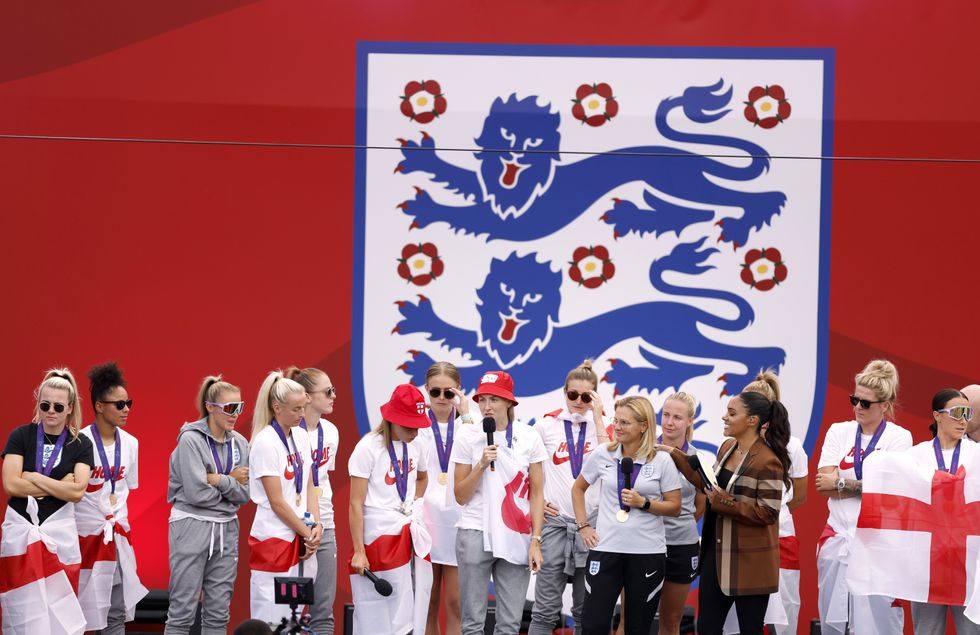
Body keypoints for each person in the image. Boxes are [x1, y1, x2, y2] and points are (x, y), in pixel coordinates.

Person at [667, 390, 791, 635]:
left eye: (732, 413)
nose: (724, 417)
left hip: (751, 563)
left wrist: (724, 502)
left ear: (752, 421)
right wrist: (671, 453)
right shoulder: (727, 447)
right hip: (717, 554)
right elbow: (707, 484)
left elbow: (768, 513)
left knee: (750, 630)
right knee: (707, 628)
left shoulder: (769, 461)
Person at [814, 359, 912, 635]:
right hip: (838, 537)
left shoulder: (899, 438)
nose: (857, 406)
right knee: (834, 624)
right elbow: (823, 483)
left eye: (865, 403)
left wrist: (843, 482)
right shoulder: (839, 431)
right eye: (854, 399)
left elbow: (891, 492)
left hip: (877, 544)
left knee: (878, 626)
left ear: (884, 404)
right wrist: (864, 486)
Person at [573, 395, 681, 635]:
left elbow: (675, 507)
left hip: (646, 553)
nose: (618, 427)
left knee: (637, 627)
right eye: (616, 420)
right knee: (593, 625)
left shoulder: (662, 460)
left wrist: (645, 503)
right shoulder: (603, 453)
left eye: (625, 422)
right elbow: (578, 488)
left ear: (644, 426)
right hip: (606, 549)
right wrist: (583, 526)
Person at [451, 370, 546, 635]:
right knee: (472, 624)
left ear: (509, 402)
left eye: (494, 399)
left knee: (510, 624)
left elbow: (537, 494)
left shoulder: (529, 437)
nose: (486, 406)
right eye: (482, 399)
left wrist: (536, 540)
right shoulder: (467, 436)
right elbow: (460, 495)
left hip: (516, 534)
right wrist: (481, 464)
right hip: (474, 530)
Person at [1, 368, 94, 634]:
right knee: (23, 607)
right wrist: (59, 485)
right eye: (45, 405)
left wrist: (32, 477)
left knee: (59, 609)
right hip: (20, 531)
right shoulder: (20, 436)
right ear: (38, 405)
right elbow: (10, 484)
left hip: (59, 533)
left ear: (70, 408)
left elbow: (77, 492)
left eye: (57, 406)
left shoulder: (81, 443)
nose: (50, 411)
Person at [720, 371, 806, 635]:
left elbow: (799, 496)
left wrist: (767, 515)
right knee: (738, 618)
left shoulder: (791, 446)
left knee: (783, 617)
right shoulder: (732, 444)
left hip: (780, 539)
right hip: (739, 540)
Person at [165, 375, 250, 634]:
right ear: (211, 407)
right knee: (182, 610)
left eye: (240, 407)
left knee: (218, 613)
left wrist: (218, 480)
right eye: (229, 408)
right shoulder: (191, 440)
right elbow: (196, 494)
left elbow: (245, 495)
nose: (235, 414)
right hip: (191, 525)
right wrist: (230, 482)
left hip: (226, 528)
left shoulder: (241, 443)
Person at [529, 360, 609, 635]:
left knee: (586, 611)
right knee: (544, 612)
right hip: (556, 524)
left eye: (585, 396)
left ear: (595, 397)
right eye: (572, 394)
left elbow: (611, 465)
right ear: (564, 392)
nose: (578, 401)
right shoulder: (545, 426)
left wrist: (598, 417)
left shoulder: (606, 426)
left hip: (593, 526)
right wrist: (538, 500)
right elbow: (525, 471)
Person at [348, 383, 432, 635]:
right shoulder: (368, 447)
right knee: (378, 605)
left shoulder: (417, 444)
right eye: (408, 425)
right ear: (391, 419)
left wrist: (413, 504)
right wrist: (359, 551)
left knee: (409, 602)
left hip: (407, 531)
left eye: (417, 425)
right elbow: (355, 503)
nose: (414, 432)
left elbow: (422, 477)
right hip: (377, 534)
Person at [77, 362, 148, 633]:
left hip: (117, 538)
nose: (126, 409)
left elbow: (127, 488)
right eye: (119, 404)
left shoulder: (131, 443)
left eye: (128, 403)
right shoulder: (79, 441)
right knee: (80, 612)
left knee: (115, 611)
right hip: (84, 539)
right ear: (98, 406)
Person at [248, 371, 321, 625]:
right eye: (296, 409)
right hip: (275, 539)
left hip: (301, 537)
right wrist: (306, 532)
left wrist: (316, 526)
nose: (302, 414)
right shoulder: (265, 442)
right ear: (276, 407)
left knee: (297, 618)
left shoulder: (301, 435)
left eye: (304, 407)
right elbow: (277, 501)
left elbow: (311, 484)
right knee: (272, 618)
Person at [906, 388, 979, 635]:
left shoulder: (978, 456)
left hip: (969, 562)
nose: (963, 420)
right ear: (937, 416)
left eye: (967, 413)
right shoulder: (915, 455)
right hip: (928, 561)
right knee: (927, 631)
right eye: (956, 413)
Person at [417, 362, 471, 635]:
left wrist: (467, 415)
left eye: (448, 393)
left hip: (457, 520)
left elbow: (483, 453)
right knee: (426, 602)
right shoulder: (414, 425)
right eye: (435, 391)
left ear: (458, 392)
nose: (441, 398)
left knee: (456, 603)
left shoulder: (467, 425)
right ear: (426, 390)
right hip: (423, 521)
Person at [287, 367, 341, 635]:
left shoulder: (331, 432)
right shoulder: (286, 433)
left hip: (325, 525)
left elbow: (320, 481)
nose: (333, 396)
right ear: (307, 397)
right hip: (292, 527)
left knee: (323, 610)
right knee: (289, 611)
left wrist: (319, 525)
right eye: (328, 391)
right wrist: (304, 527)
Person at [653, 392, 706, 635]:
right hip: (643, 543)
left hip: (681, 545)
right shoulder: (645, 450)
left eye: (677, 417)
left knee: (672, 620)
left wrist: (678, 521)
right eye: (665, 415)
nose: (669, 422)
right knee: (633, 618)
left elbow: (700, 505)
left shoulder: (697, 459)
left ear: (690, 421)